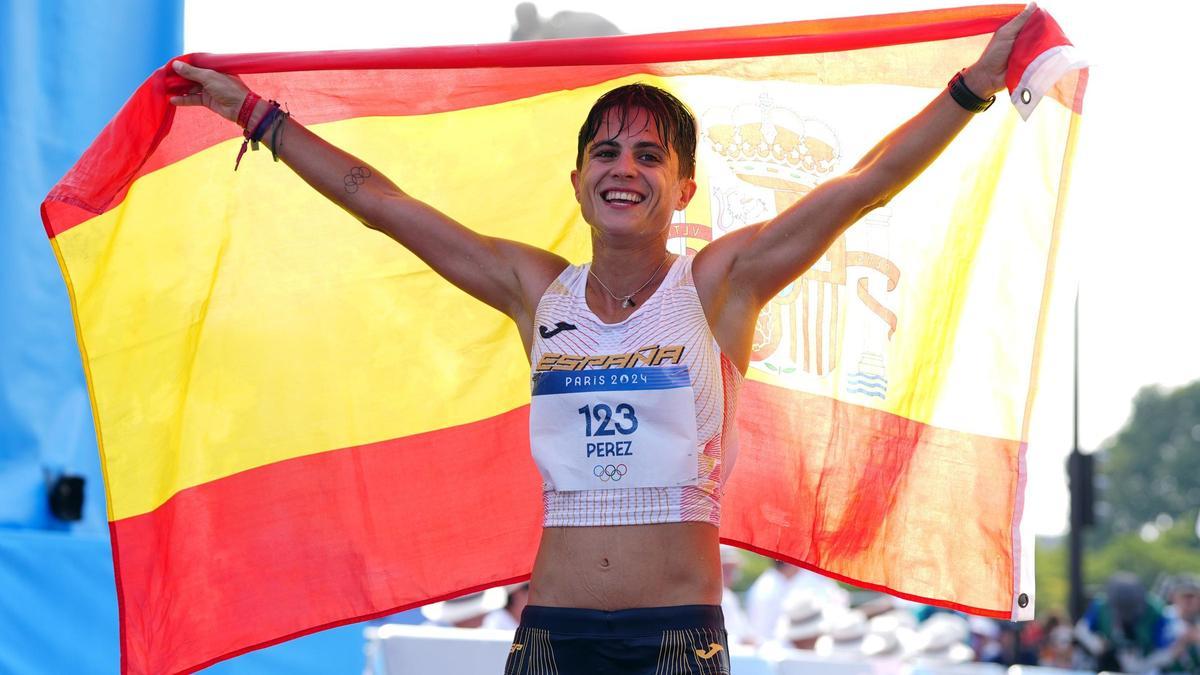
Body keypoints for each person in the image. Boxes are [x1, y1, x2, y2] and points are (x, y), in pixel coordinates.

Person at [169, 5, 1036, 672]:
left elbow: (865, 186)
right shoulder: (534, 290)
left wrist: (974, 85)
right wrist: (255, 114)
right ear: (578, 182)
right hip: (551, 635)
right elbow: (379, 202)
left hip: (677, 643)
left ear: (684, 187)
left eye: (651, 156)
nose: (626, 168)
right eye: (608, 153)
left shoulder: (721, 285)